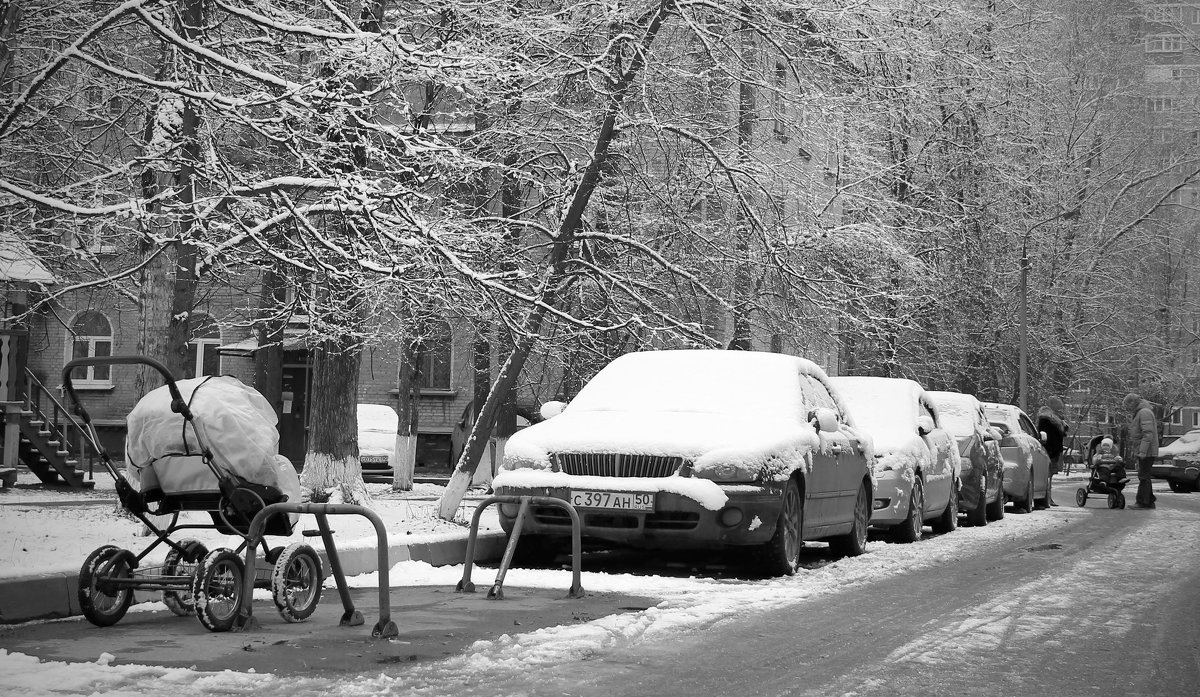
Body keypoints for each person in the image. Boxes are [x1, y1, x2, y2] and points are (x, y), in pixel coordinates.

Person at [1124, 392, 1160, 509]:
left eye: (1127, 406)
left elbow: (1147, 434)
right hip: (1145, 450)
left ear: (1133, 403)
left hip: (1147, 451)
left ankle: (1143, 502)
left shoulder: (1144, 412)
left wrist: (1143, 452)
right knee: (1144, 476)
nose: (1127, 409)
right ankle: (1149, 501)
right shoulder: (1141, 412)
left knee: (1143, 476)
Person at [1037, 395, 1068, 506]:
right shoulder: (1047, 418)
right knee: (1047, 476)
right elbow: (1049, 436)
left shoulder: (1055, 419)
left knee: (1049, 476)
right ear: (1054, 407)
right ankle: (1046, 498)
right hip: (1049, 451)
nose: (1060, 409)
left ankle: (1048, 497)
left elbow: (1059, 434)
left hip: (1054, 451)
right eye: (1059, 407)